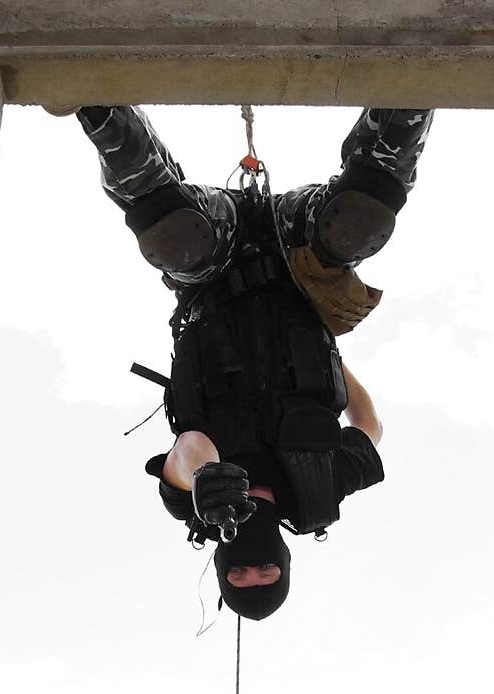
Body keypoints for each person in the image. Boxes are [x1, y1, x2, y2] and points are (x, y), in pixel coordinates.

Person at [56, 103, 434, 619]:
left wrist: (208, 477)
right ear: (284, 564)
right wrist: (330, 357)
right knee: (362, 220)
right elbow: (368, 425)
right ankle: (410, 90)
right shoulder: (321, 493)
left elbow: (188, 449)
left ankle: (96, 101)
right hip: (298, 259)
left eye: (239, 575)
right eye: (265, 575)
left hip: (213, 266)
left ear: (220, 568)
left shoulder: (193, 504)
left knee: (172, 233)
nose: (252, 567)